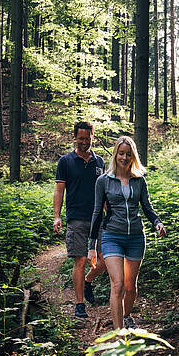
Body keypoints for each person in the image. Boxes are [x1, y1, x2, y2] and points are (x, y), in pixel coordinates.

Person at [88, 136, 166, 329]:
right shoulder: (103, 181)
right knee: (118, 284)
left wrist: (157, 222)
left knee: (131, 287)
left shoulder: (139, 180)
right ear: (115, 154)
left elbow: (147, 207)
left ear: (133, 157)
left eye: (128, 154)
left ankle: (126, 316)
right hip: (112, 236)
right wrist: (91, 246)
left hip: (136, 238)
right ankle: (118, 333)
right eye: (121, 153)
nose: (124, 157)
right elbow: (97, 212)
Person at [54, 121, 108, 318]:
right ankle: (79, 305)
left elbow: (104, 193)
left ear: (93, 137)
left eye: (88, 138)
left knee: (106, 259)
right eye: (81, 138)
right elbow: (59, 191)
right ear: (75, 137)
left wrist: (109, 213)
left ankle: (87, 281)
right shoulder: (65, 161)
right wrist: (57, 216)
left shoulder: (100, 162)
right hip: (76, 218)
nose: (84, 142)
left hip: (99, 220)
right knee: (81, 259)